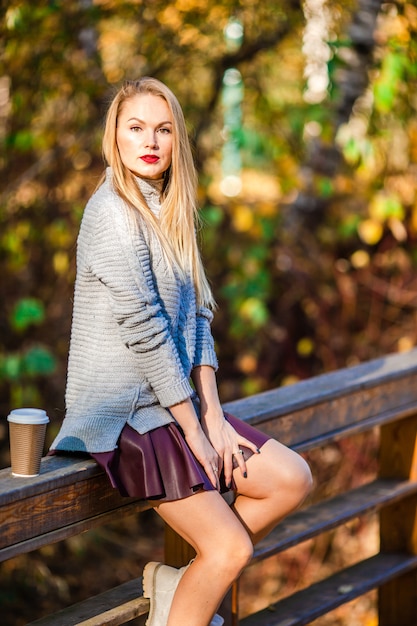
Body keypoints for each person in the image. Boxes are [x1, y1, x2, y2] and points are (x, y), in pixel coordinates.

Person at [49, 76, 313, 626]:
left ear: (177, 141)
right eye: (136, 127)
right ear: (114, 138)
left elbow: (195, 315)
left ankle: (181, 586)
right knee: (229, 550)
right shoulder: (111, 213)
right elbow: (146, 331)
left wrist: (213, 416)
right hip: (121, 417)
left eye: (163, 129)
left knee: (291, 479)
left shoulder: (169, 208)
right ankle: (185, 602)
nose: (150, 140)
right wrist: (195, 433)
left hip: (171, 408)